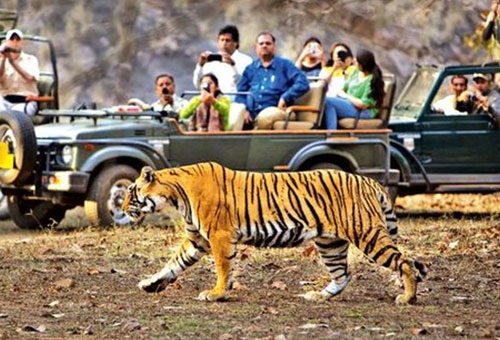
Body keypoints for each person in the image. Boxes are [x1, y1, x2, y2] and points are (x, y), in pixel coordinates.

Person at [235, 32, 310, 130]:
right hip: (252, 113)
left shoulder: (285, 65)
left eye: (268, 43)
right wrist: (244, 110)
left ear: (274, 46)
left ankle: (256, 145)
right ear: (256, 47)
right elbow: (240, 93)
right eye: (261, 44)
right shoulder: (250, 69)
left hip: (278, 110)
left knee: (265, 117)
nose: (264, 46)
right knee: (234, 115)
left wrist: (285, 97)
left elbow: (303, 83)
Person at [323, 49, 385, 130]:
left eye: (356, 63)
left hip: (363, 111)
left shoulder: (371, 80)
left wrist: (346, 96)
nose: (354, 64)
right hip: (350, 104)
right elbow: (344, 88)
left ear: (362, 65)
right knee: (327, 103)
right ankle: (330, 131)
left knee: (328, 102)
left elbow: (363, 104)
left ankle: (331, 133)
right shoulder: (356, 72)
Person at [193, 25, 252, 94]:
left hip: (235, 102)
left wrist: (233, 65)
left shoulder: (246, 60)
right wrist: (200, 65)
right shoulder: (211, 60)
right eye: (222, 40)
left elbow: (244, 84)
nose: (224, 43)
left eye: (227, 40)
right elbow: (197, 84)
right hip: (211, 101)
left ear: (236, 43)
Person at [0, 29, 40, 116]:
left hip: (25, 101)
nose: (15, 42)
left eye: (17, 39)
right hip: (5, 101)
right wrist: (3, 59)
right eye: (12, 39)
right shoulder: (2, 61)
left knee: (16, 117)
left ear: (22, 43)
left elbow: (30, 78)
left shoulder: (31, 60)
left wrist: (13, 63)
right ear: (6, 42)